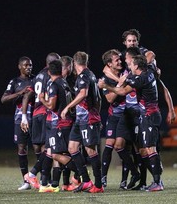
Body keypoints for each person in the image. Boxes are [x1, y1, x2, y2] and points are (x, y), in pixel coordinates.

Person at [98, 54, 166, 192]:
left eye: (131, 64)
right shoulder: (149, 72)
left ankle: (157, 181)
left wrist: (106, 85)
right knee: (144, 149)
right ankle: (153, 178)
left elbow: (122, 90)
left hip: (149, 115)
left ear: (137, 66)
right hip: (148, 115)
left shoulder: (141, 78)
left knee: (149, 149)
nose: (129, 66)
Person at [61, 51, 104, 193]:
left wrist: (68, 107)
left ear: (74, 63)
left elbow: (83, 94)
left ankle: (98, 185)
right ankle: (86, 180)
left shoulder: (84, 76)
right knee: (72, 148)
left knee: (91, 150)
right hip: (81, 119)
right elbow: (98, 99)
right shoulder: (89, 74)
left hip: (88, 119)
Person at [100, 49, 141, 190]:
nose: (120, 61)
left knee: (125, 147)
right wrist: (119, 84)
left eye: (119, 59)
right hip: (114, 116)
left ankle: (124, 181)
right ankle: (103, 178)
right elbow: (110, 99)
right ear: (110, 64)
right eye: (116, 60)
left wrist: (120, 81)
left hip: (127, 116)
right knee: (109, 144)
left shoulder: (125, 71)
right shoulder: (106, 79)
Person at [37, 59, 80, 192]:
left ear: (49, 71)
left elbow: (51, 105)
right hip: (65, 121)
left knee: (54, 154)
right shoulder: (64, 82)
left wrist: (42, 99)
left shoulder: (54, 84)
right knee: (57, 152)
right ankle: (54, 185)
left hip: (59, 123)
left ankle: (81, 173)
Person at [22, 52, 61, 190]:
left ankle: (44, 181)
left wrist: (24, 116)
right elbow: (49, 98)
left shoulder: (38, 76)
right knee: (49, 148)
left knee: (40, 149)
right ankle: (40, 178)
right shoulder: (51, 77)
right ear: (52, 64)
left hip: (35, 114)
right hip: (45, 113)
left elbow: (27, 95)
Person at [1, 56, 34, 190]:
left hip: (37, 118)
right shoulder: (14, 82)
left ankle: (45, 179)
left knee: (40, 148)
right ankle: (26, 180)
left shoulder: (36, 79)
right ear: (19, 66)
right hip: (20, 120)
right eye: (26, 65)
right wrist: (19, 93)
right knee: (22, 148)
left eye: (30, 65)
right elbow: (3, 99)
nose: (28, 67)